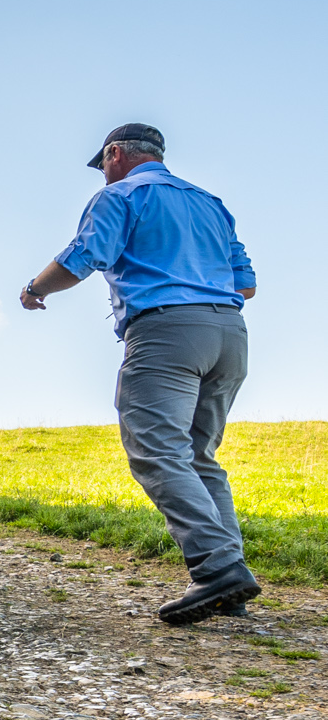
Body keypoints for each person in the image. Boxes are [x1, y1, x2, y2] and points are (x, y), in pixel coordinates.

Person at [20, 122, 258, 626]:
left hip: (167, 330)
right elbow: (247, 284)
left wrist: (35, 289)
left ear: (115, 153)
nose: (103, 174)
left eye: (103, 164)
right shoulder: (210, 202)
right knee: (198, 455)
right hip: (230, 332)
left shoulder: (121, 196)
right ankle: (231, 579)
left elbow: (85, 257)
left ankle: (218, 567)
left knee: (155, 450)